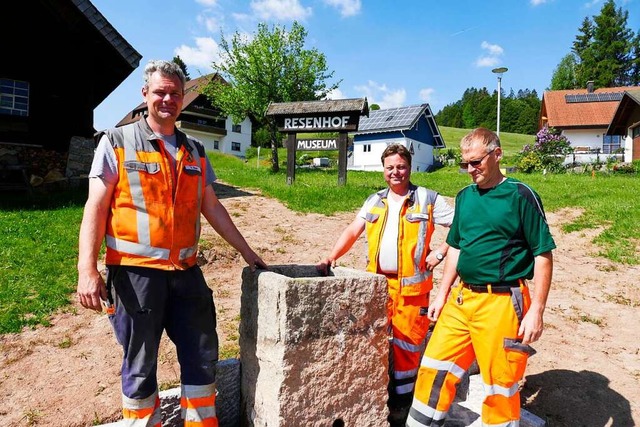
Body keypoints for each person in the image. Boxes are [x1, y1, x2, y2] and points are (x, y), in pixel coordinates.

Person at [76, 59, 267, 427]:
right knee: (140, 365)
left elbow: (212, 206)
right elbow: (95, 207)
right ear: (145, 94)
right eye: (160, 92)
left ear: (183, 99)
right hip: (135, 277)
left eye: (175, 94)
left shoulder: (194, 149)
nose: (167, 99)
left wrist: (247, 251)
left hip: (186, 274)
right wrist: (87, 268)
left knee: (201, 353)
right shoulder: (117, 141)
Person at [406, 128, 556, 427]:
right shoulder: (464, 197)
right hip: (462, 300)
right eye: (465, 164)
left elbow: (543, 254)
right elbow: (456, 248)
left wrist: (536, 311)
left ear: (497, 154)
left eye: (476, 162)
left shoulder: (520, 195)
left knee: (500, 386)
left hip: (502, 302)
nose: (470, 170)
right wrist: (441, 295)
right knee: (433, 369)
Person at [317, 143, 454, 427]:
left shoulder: (427, 199)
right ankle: (375, 399)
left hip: (412, 293)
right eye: (390, 167)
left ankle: (402, 410)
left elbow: (462, 227)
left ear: (410, 167)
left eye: (401, 166)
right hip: (377, 289)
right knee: (372, 346)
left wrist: (440, 252)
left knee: (406, 353)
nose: (396, 172)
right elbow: (352, 231)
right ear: (383, 170)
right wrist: (330, 257)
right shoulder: (374, 201)